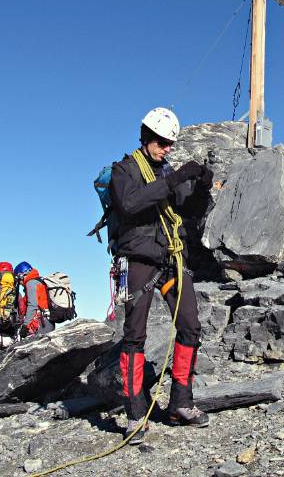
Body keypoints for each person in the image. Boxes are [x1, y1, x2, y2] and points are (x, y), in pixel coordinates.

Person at [110, 107, 213, 444]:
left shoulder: (168, 171)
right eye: (163, 142)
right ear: (146, 138)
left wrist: (201, 187)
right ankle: (135, 413)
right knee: (134, 335)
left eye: (170, 143)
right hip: (138, 259)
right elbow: (129, 204)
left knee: (190, 324)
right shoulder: (124, 169)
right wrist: (173, 179)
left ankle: (181, 404)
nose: (167, 147)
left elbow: (192, 212)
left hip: (171, 258)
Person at [15, 261, 55, 337]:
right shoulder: (38, 281)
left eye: (19, 280)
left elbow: (32, 305)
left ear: (22, 275)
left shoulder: (31, 283)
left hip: (42, 322)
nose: (20, 283)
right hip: (48, 320)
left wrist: (25, 326)